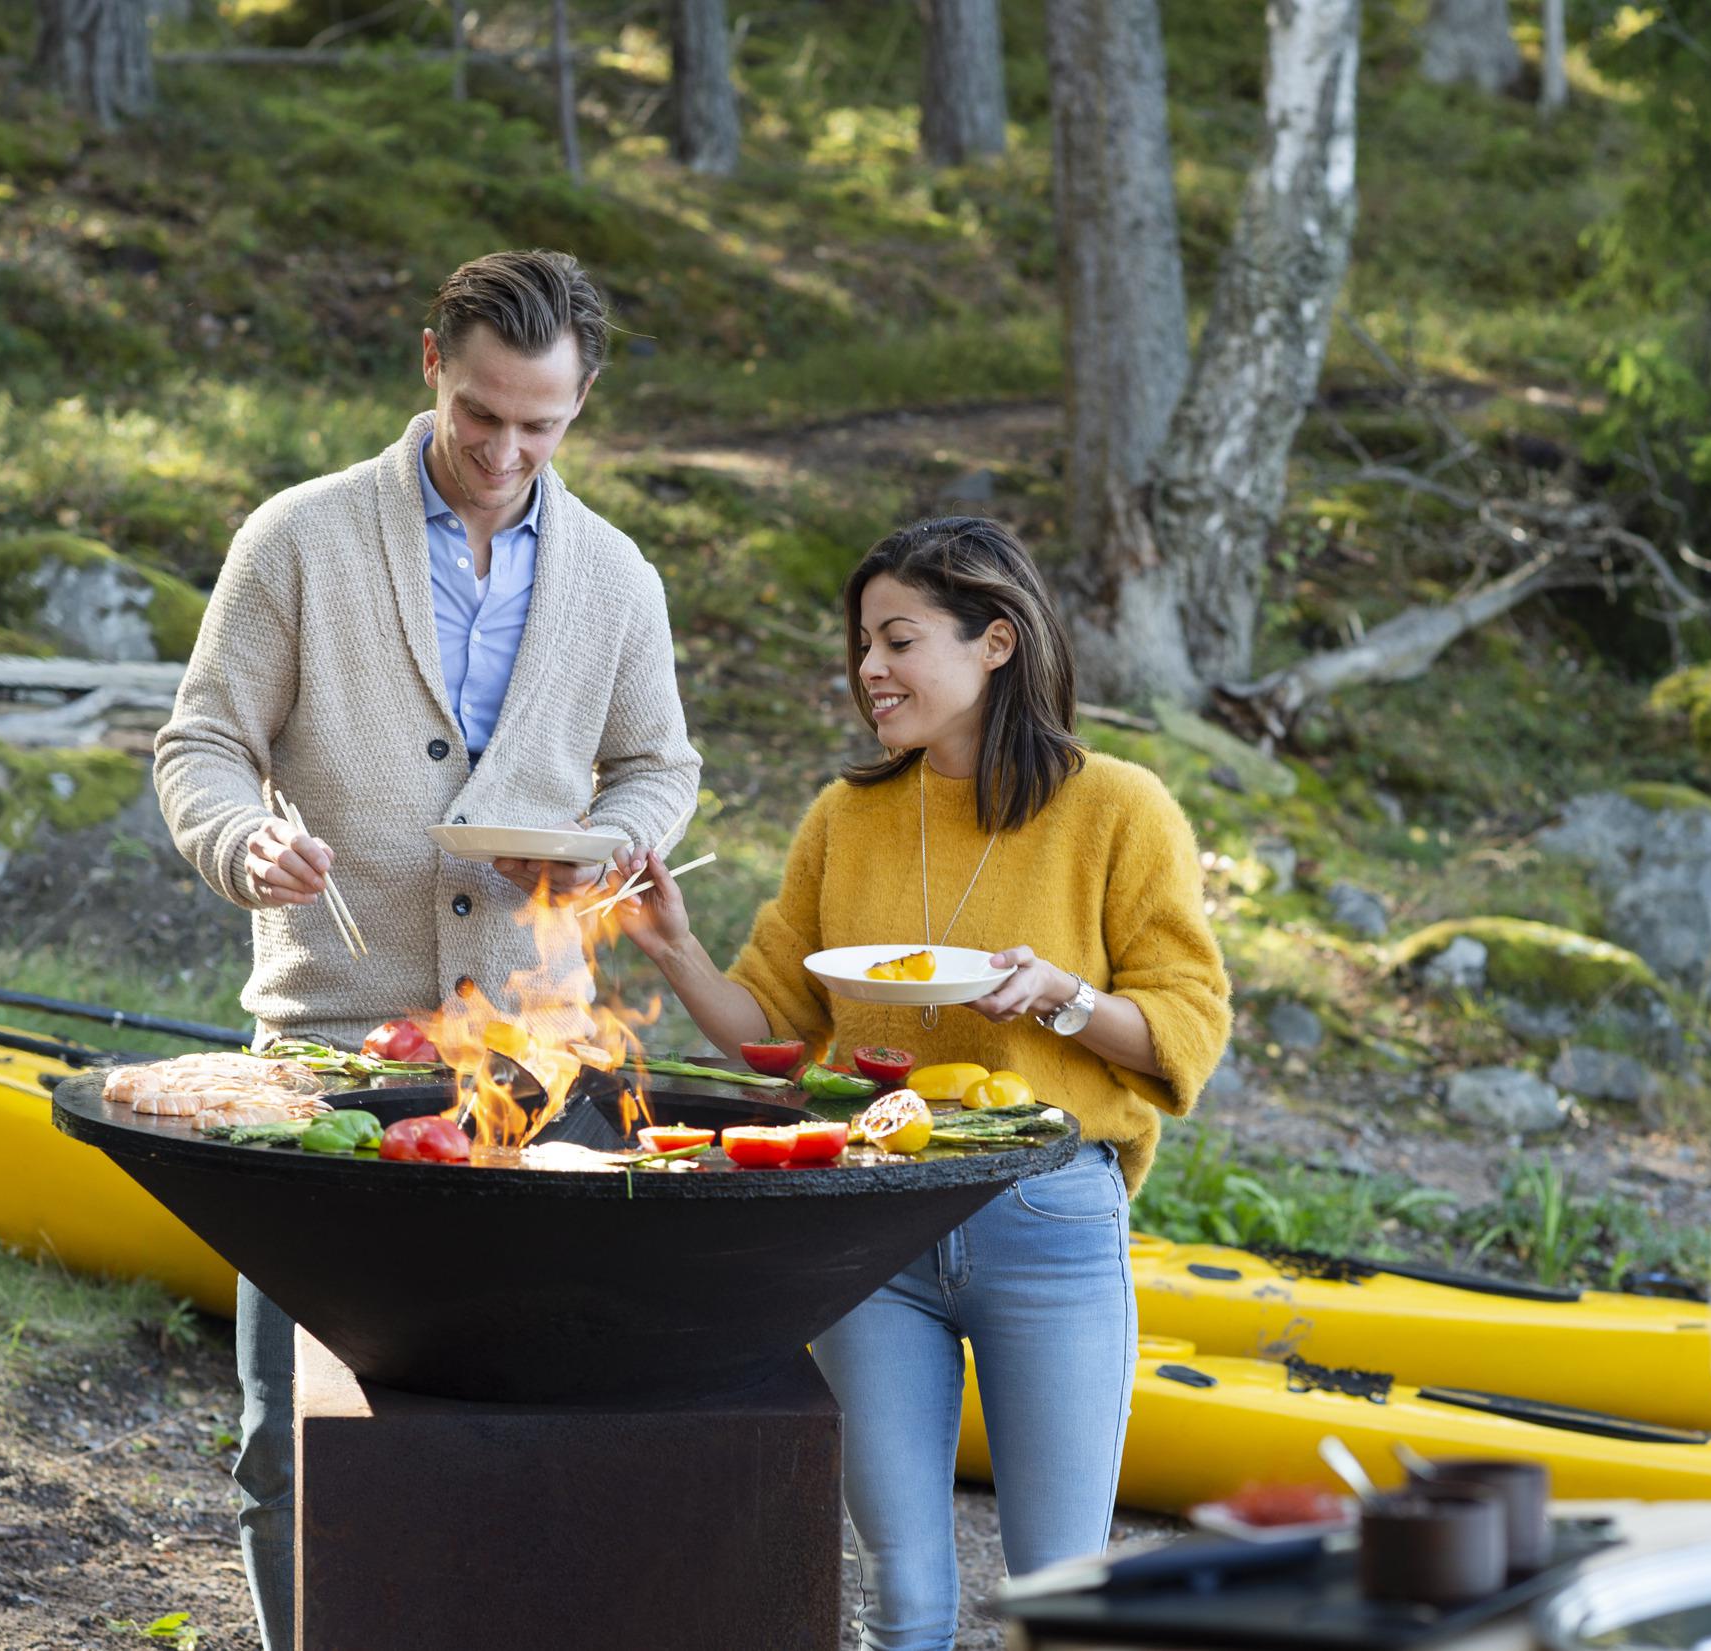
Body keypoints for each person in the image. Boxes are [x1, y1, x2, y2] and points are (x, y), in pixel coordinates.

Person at [151, 247, 700, 1650]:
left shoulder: (619, 578)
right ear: (428, 366)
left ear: (582, 404)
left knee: (523, 1414)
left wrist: (616, 843)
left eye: (542, 423)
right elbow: (203, 743)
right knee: (296, 1430)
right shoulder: (299, 538)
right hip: (328, 1053)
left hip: (534, 1055)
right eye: (481, 415)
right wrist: (240, 844)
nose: (507, 450)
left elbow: (655, 764)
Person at [609, 516, 1231, 1650]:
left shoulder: (1117, 808)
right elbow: (776, 1032)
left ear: (995, 641)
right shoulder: (846, 819)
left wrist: (1060, 997)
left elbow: (1187, 1029)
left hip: (1044, 1213)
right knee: (902, 1595)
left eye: (897, 640)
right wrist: (674, 948)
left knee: (1059, 1595)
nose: (869, 670)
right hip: (869, 1222)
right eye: (860, 644)